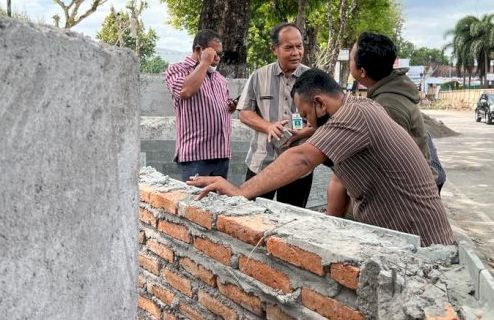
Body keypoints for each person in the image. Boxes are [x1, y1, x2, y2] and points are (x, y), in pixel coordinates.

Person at [190, 69, 455, 246]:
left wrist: (240, 191)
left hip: (421, 241)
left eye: (306, 115)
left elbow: (302, 159)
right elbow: (340, 180)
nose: (306, 123)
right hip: (401, 235)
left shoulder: (353, 117)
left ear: (320, 103)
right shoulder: (362, 105)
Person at [348, 32, 443, 192]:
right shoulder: (389, 92)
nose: (348, 63)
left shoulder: (387, 106)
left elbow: (389, 161)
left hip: (409, 192)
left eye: (350, 60)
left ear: (362, 71)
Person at [236, 22, 315, 208]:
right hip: (262, 162)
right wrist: (268, 126)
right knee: (252, 218)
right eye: (289, 47)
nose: (296, 52)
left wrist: (304, 132)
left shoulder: (313, 78)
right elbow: (244, 113)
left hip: (298, 166)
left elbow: (325, 119)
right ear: (275, 49)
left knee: (291, 220)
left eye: (299, 46)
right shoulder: (258, 76)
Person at [165, 29, 236, 181]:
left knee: (218, 204)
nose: (217, 58)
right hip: (196, 157)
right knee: (195, 203)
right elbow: (186, 91)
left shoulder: (220, 79)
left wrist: (230, 106)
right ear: (199, 50)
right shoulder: (178, 69)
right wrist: (204, 62)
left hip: (221, 155)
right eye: (214, 53)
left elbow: (218, 106)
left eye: (220, 54)